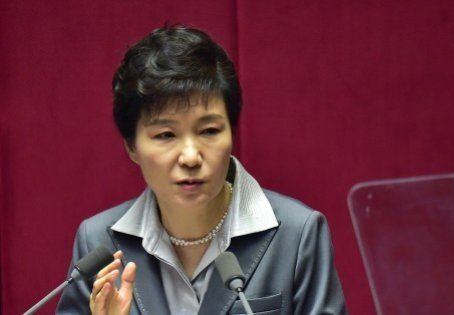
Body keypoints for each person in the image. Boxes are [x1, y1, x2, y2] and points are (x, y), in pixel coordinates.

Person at [57, 25, 346, 314]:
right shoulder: (98, 243)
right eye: (166, 135)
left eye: (209, 130)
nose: (191, 157)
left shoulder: (297, 234)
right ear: (132, 147)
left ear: (232, 132)